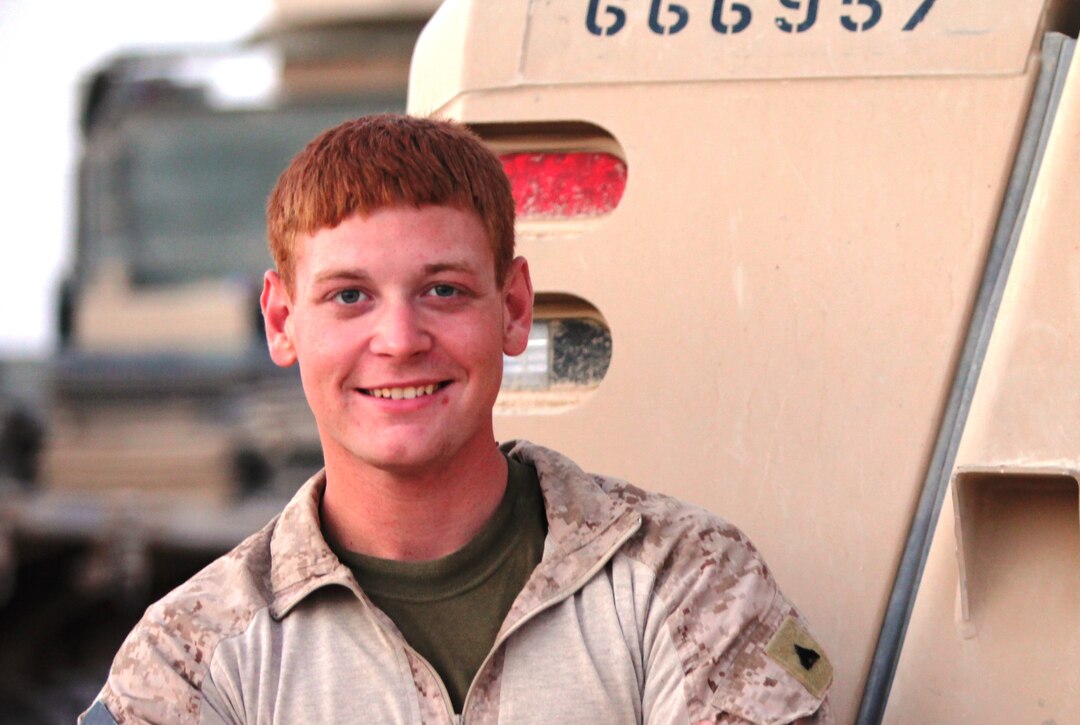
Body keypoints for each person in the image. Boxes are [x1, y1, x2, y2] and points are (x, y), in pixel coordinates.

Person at [81, 115, 833, 724]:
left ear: (512, 307)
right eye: (349, 296)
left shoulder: (687, 580)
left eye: (442, 290)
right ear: (282, 321)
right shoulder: (195, 654)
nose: (401, 339)